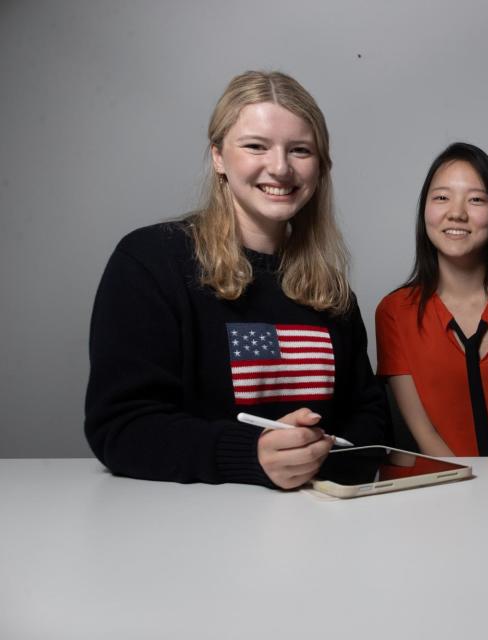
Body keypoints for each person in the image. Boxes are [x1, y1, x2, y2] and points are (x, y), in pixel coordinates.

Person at [85, 71, 387, 489]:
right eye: (255, 146)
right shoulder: (150, 261)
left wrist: (324, 454)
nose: (280, 168)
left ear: (320, 167)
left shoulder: (331, 289)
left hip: (319, 526)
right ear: (218, 157)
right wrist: (249, 454)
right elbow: (120, 426)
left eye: (300, 150)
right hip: (193, 527)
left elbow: (369, 413)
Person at [376, 142, 488, 456]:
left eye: (476, 199)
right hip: (447, 486)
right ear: (424, 210)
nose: (456, 213)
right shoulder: (395, 311)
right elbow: (423, 432)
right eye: (441, 197)